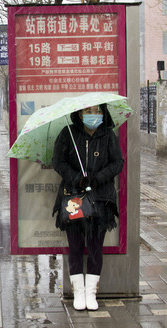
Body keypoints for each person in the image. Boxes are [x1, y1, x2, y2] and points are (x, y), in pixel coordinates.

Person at [52, 104, 124, 311]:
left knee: (95, 247)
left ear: (104, 112)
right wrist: (77, 178)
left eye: (98, 111)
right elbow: (58, 161)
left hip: (101, 199)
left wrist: (98, 178)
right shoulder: (68, 133)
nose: (94, 115)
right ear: (79, 114)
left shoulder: (108, 135)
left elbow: (118, 162)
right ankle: (79, 292)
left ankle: (91, 292)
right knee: (75, 246)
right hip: (74, 199)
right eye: (88, 111)